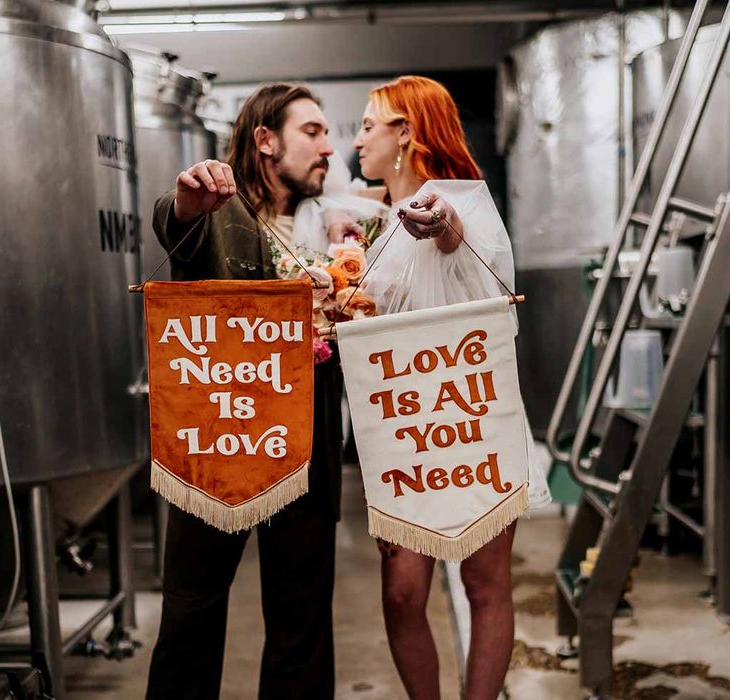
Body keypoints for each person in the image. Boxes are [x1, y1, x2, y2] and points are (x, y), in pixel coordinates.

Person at [351, 75, 551, 700]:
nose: (355, 140)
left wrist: (440, 224)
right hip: (405, 427)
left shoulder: (459, 202)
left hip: (473, 418)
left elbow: (455, 234)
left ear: (405, 133)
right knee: (402, 590)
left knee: (485, 583)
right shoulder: (377, 226)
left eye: (366, 125)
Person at [145, 83, 343, 700]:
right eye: (311, 131)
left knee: (302, 623)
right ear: (265, 140)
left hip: (306, 448)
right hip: (218, 446)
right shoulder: (218, 207)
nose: (328, 147)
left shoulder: (334, 222)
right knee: (190, 616)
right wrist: (185, 200)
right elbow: (175, 223)